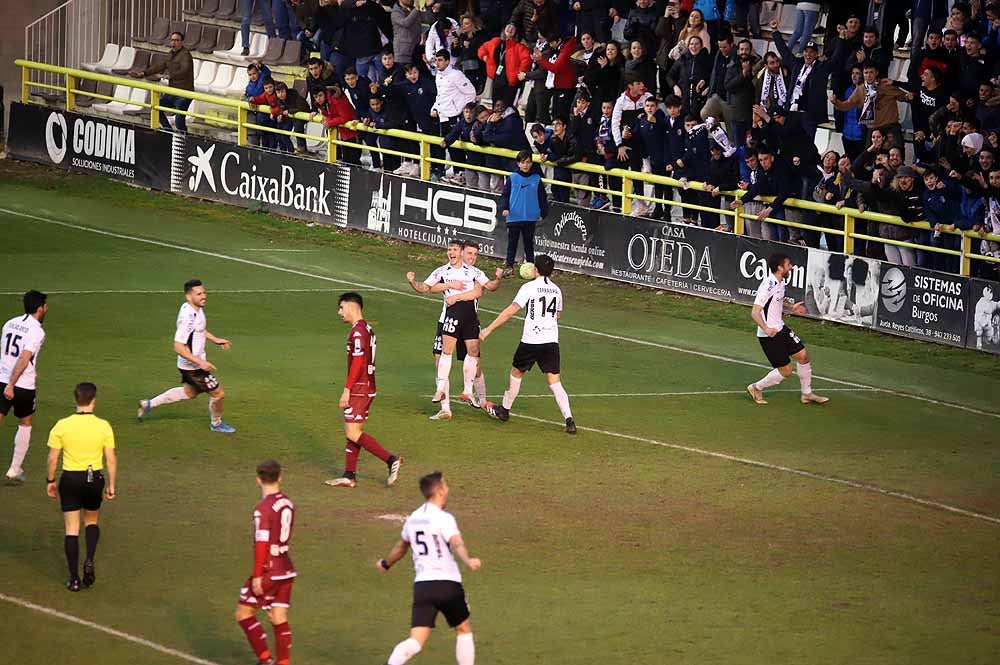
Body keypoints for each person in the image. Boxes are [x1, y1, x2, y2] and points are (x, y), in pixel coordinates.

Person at [375, 471, 481, 665]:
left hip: (423, 587)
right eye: (445, 485)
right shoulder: (444, 518)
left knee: (415, 641)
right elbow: (457, 543)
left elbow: (401, 547)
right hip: (448, 584)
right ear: (439, 491)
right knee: (463, 629)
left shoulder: (413, 518)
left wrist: (385, 563)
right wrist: (467, 560)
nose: (448, 489)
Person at [479, 255, 576, 434]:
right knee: (555, 381)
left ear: (535, 270)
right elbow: (558, 314)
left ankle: (505, 410)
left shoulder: (528, 287)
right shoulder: (556, 290)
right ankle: (569, 420)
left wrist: (488, 329)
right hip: (551, 341)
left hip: (531, 340)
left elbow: (510, 311)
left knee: (517, 372)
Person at [325, 293, 403, 488]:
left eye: (341, 308)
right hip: (366, 386)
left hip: (360, 388)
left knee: (352, 432)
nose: (339, 312)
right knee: (353, 430)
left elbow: (358, 362)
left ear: (352, 307)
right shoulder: (366, 329)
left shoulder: (358, 332)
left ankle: (390, 459)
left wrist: (347, 389)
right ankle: (349, 475)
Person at [137, 279, 235, 433]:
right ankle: (216, 424)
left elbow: (200, 329)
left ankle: (149, 404)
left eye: (204, 292)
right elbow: (177, 346)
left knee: (189, 393)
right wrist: (200, 363)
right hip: (193, 366)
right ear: (189, 297)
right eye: (199, 294)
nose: (204, 296)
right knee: (218, 393)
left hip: (189, 364)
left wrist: (216, 340)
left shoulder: (196, 308)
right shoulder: (187, 318)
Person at [45, 382, 116, 591]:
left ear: (75, 400)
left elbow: (52, 458)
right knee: (91, 520)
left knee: (71, 529)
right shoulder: (103, 426)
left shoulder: (62, 425)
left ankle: (74, 578)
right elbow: (110, 458)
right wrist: (111, 485)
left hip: (70, 479)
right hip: (94, 479)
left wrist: (50, 481)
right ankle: (90, 559)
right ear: (93, 400)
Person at [407, 241, 489, 421]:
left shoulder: (475, 274)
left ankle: (482, 401)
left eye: (474, 254)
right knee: (440, 360)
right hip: (447, 320)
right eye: (469, 253)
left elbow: (481, 290)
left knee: (475, 365)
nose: (471, 257)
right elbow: (426, 288)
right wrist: (413, 282)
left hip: (468, 322)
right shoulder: (444, 271)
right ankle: (445, 409)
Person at [746, 253, 829, 406]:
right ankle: (756, 388)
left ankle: (807, 394)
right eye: (788, 264)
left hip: (781, 328)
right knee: (786, 371)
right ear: (780, 267)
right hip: (769, 334)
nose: (791, 267)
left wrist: (791, 307)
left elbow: (777, 299)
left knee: (803, 357)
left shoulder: (780, 282)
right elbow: (755, 312)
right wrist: (766, 328)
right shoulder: (768, 285)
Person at [235, 459, 295, 665]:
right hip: (286, 568)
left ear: (258, 480)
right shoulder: (288, 503)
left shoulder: (263, 508)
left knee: (244, 613)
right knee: (278, 616)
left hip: (270, 569)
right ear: (280, 477)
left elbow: (261, 544)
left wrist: (258, 576)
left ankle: (265, 660)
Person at [2, 290, 47, 484]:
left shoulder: (9, 323)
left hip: (1, 378)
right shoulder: (37, 331)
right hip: (22, 385)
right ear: (39, 309)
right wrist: (12, 385)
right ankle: (14, 468)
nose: (46, 309)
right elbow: (24, 357)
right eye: (45, 306)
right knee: (25, 422)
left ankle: (15, 468)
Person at [132, 32, 194, 132]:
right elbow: (160, 66)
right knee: (156, 108)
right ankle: (168, 131)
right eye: (172, 40)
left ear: (181, 42)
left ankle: (183, 137)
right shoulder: (170, 54)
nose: (174, 42)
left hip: (184, 93)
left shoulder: (186, 55)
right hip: (172, 92)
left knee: (179, 119)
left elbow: (185, 70)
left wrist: (169, 76)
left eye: (177, 40)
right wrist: (144, 73)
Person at [500, 150, 549, 276]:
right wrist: (505, 208)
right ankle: (509, 267)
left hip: (530, 217)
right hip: (514, 217)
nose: (526, 165)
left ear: (531, 163)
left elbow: (542, 198)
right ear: (518, 164)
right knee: (512, 242)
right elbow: (505, 195)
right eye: (523, 162)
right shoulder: (513, 178)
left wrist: (543, 213)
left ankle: (532, 267)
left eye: (528, 162)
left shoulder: (536, 179)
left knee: (528, 243)